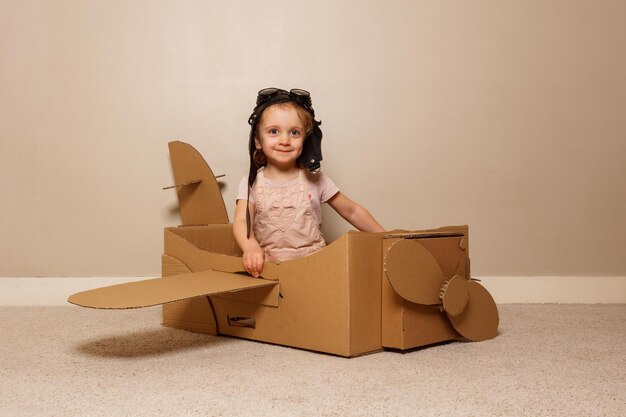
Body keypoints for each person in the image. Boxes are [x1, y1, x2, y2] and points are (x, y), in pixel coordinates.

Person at [233, 88, 384, 277]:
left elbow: (352, 211)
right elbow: (241, 220)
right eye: (273, 131)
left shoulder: (316, 179)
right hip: (270, 269)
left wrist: (385, 236)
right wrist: (250, 246)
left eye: (294, 133)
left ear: (305, 138)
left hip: (315, 267)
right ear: (257, 140)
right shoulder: (252, 182)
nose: (285, 140)